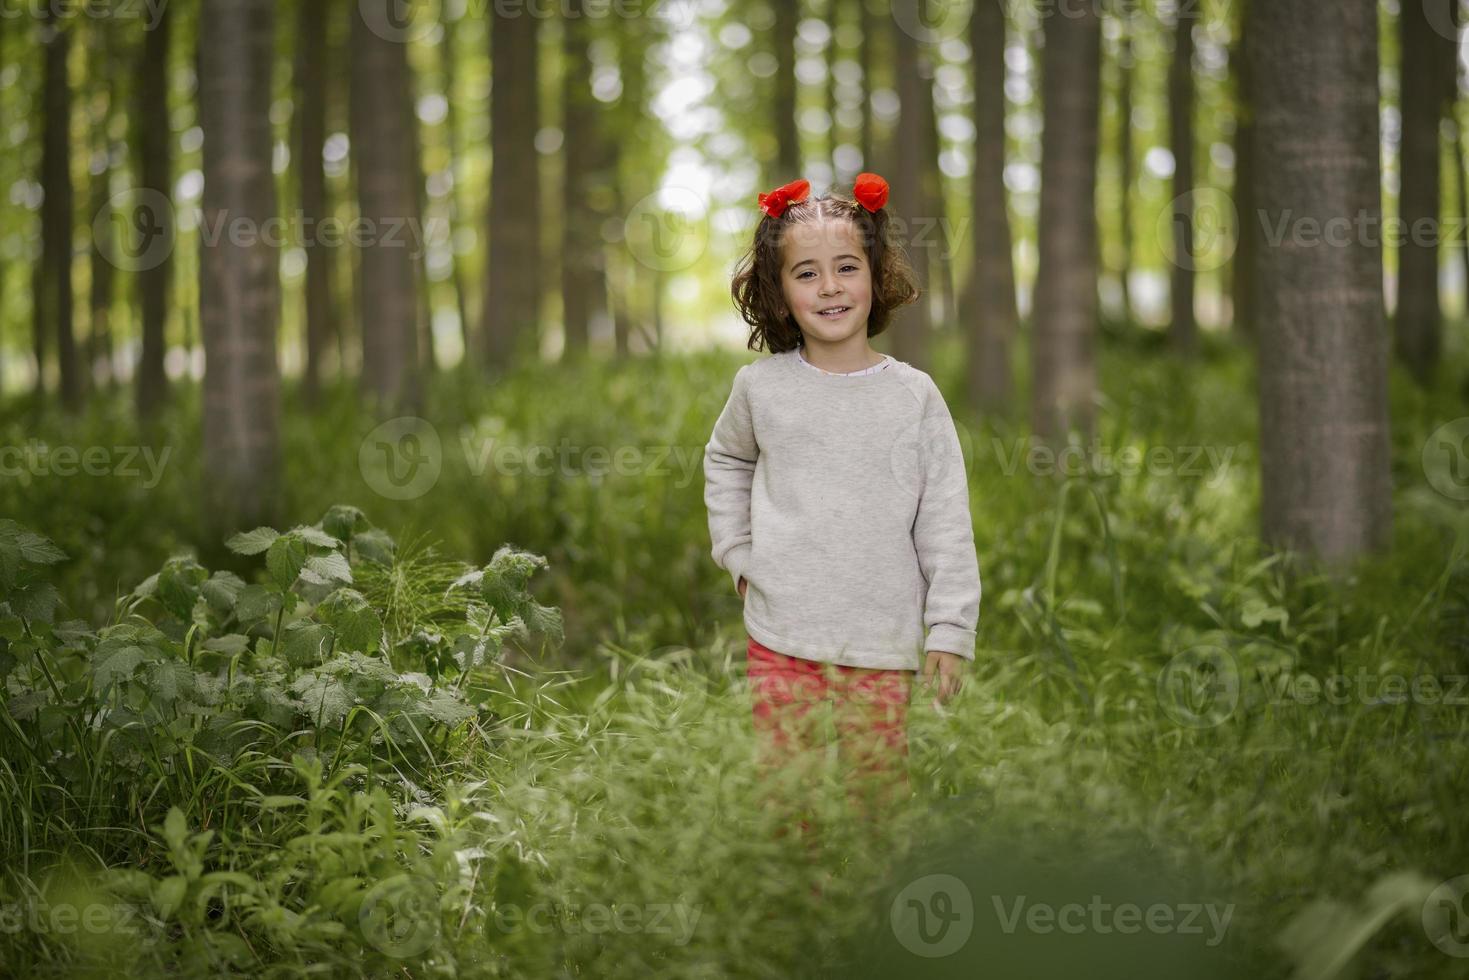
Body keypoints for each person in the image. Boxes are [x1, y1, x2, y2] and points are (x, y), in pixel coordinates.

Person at [703, 171, 982, 849]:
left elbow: (945, 515)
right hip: (779, 627)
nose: (829, 287)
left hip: (879, 638)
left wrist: (949, 627)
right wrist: (738, 555)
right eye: (806, 273)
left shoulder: (912, 396)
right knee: (786, 787)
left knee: (875, 792)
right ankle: (792, 915)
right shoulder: (760, 389)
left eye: (846, 268)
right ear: (780, 292)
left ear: (874, 276)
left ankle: (868, 918)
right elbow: (726, 461)